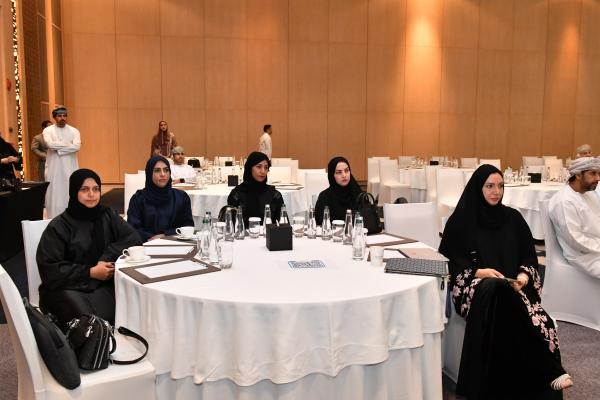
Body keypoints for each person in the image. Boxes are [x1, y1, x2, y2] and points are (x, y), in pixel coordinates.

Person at [439, 164, 572, 400]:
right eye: (489, 186)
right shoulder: (460, 221)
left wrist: (522, 277)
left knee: (504, 293)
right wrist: (479, 272)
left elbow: (529, 256)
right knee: (495, 286)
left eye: (500, 186)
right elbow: (448, 263)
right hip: (474, 288)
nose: (496, 192)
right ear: (477, 188)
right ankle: (550, 370)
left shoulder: (513, 218)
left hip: (514, 288)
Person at [36, 169, 141, 329]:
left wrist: (106, 258)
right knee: (91, 323)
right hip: (68, 288)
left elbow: (133, 238)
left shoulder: (107, 216)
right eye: (84, 189)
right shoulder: (59, 227)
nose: (91, 194)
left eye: (96, 189)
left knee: (137, 301)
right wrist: (90, 272)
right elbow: (50, 270)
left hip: (105, 284)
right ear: (74, 192)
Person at [548, 157, 600, 278]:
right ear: (578, 175)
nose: (598, 178)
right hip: (585, 257)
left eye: (598, 173)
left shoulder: (589, 194)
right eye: (593, 173)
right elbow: (575, 240)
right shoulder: (565, 201)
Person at [127, 155, 194, 241]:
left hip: (176, 244)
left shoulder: (181, 197)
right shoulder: (138, 199)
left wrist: (165, 235)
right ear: (149, 173)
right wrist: (152, 239)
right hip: (146, 245)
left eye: (166, 170)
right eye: (157, 170)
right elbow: (133, 230)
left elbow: (188, 226)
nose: (163, 174)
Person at [43, 106, 81, 218]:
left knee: (69, 189)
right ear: (54, 117)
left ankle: (72, 216)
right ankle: (53, 217)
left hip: (70, 167)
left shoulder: (74, 131)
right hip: (53, 168)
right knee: (54, 191)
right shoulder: (48, 130)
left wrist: (59, 150)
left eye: (64, 115)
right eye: (59, 116)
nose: (62, 118)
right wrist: (68, 144)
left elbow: (77, 147)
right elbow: (50, 145)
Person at [227, 151, 283, 227]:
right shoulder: (237, 195)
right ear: (249, 168)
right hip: (242, 234)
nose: (263, 171)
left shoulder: (274, 195)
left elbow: (283, 226)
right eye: (259, 167)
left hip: (269, 234)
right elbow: (231, 226)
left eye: (266, 168)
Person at [314, 156, 363, 225]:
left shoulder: (358, 194)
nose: (344, 175)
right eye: (339, 172)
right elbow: (320, 223)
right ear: (332, 175)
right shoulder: (325, 197)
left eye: (346, 171)